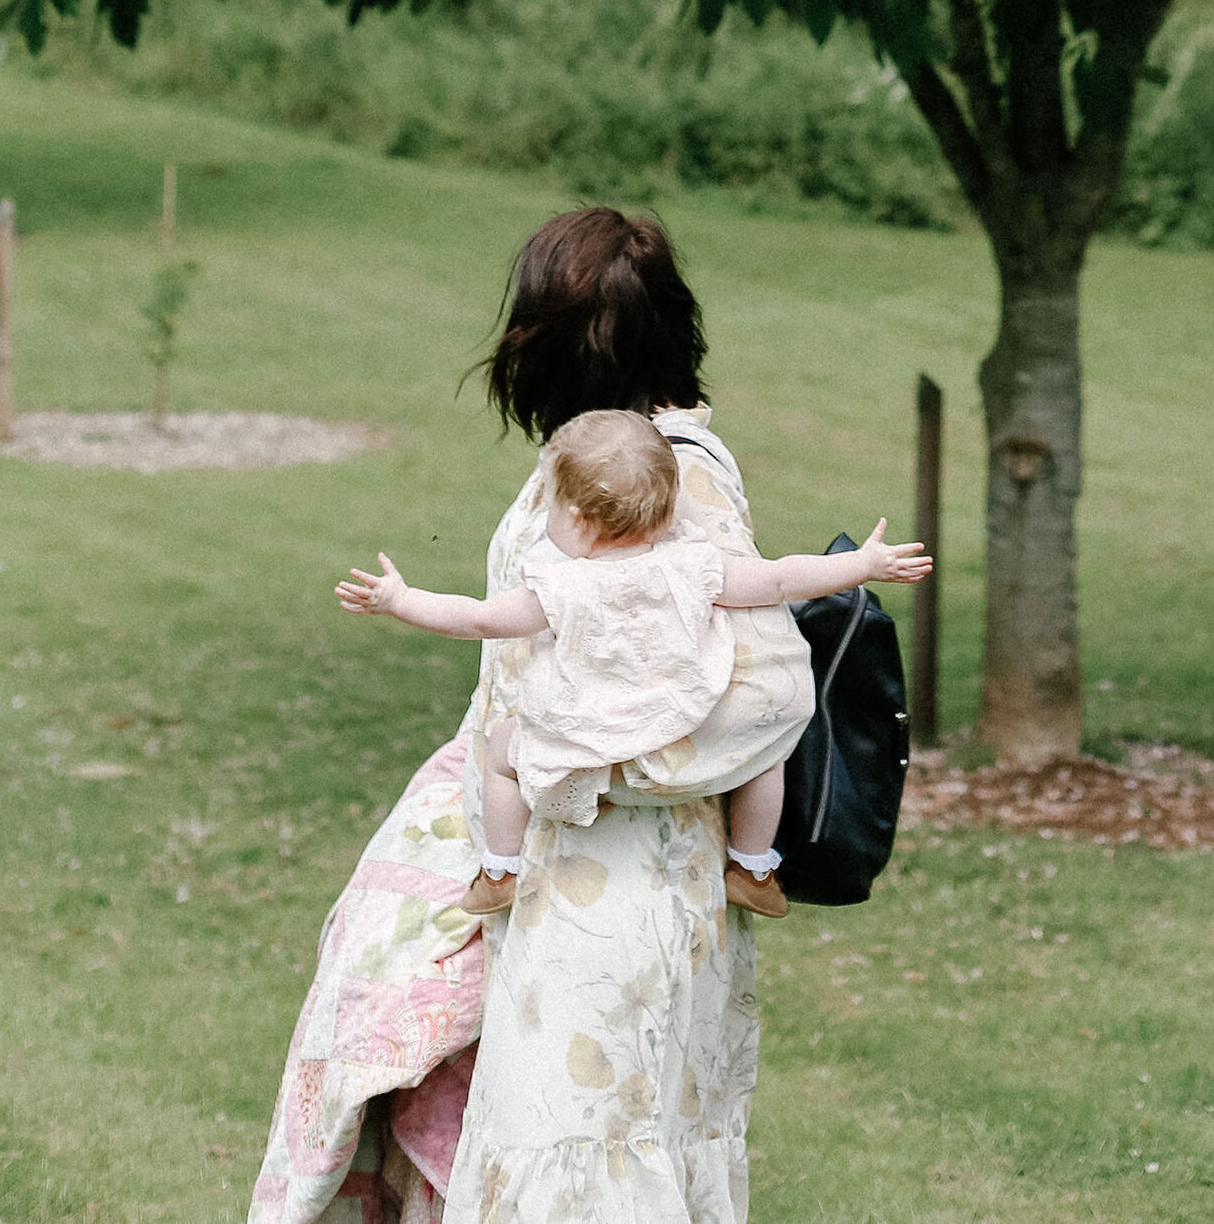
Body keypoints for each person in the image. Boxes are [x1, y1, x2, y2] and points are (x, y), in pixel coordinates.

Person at [249, 206, 817, 1224]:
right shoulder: (608, 449)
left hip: (622, 897)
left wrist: (557, 762)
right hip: (554, 880)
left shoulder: (677, 478)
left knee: (582, 1167)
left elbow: (765, 698)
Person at [335, 405, 928, 923]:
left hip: (592, 745)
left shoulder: (562, 587)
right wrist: (865, 565)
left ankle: (500, 871)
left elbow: (479, 619)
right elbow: (780, 577)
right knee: (768, 744)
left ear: (580, 521)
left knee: (501, 754)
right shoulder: (695, 566)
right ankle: (752, 868)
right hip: (689, 735)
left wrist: (398, 600)